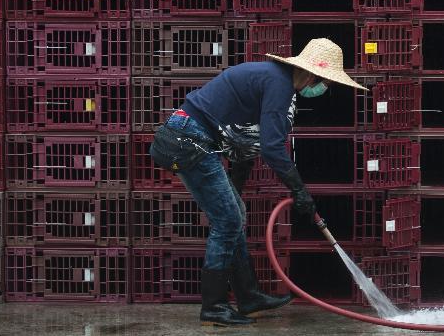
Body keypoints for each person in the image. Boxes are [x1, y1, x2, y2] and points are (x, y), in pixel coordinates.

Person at [149, 38, 367, 326]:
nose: (323, 89)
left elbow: (244, 144)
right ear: (316, 76)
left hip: (189, 139)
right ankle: (213, 307)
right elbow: (272, 147)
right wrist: (299, 191)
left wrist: (236, 190)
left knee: (234, 214)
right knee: (227, 221)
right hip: (190, 141)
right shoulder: (279, 86)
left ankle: (248, 297)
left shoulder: (270, 78)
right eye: (327, 83)